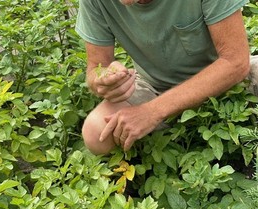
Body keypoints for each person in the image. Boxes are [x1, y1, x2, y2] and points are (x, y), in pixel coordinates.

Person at [75, 0, 251, 155]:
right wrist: (103, 80)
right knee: (96, 132)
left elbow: (235, 61)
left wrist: (153, 112)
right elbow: (96, 67)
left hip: (224, 83)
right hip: (154, 87)